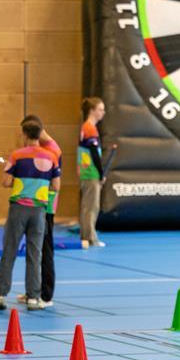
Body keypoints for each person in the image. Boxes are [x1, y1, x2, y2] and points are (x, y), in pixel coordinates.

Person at [0, 120, 61, 311]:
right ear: (40, 135)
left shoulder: (16, 156)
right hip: (39, 211)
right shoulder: (51, 157)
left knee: (10, 251)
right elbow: (56, 186)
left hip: (18, 209)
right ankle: (33, 297)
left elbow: (6, 182)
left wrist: (13, 173)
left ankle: (0, 294)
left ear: (24, 134)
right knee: (35, 254)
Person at [18, 115, 61, 308]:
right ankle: (33, 290)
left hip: (45, 207)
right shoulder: (44, 148)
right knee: (35, 249)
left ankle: (46, 295)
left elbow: (54, 184)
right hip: (35, 206)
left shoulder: (51, 151)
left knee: (45, 250)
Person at [78, 97, 106, 248]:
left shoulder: (86, 127)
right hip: (91, 172)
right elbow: (94, 154)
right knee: (91, 206)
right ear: (92, 111)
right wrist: (101, 173)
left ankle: (86, 235)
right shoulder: (89, 129)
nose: (103, 113)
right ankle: (90, 237)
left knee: (87, 206)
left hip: (87, 171)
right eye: (100, 109)